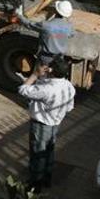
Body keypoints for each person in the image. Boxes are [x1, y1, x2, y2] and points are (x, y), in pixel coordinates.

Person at [18, 55, 76, 190]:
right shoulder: (68, 86)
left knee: (38, 154)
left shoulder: (46, 89)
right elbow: (70, 106)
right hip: (56, 122)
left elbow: (22, 90)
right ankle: (47, 179)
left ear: (51, 70)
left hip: (42, 124)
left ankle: (35, 185)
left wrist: (34, 75)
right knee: (49, 150)